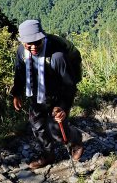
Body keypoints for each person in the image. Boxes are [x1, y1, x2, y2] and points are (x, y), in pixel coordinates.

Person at [11, 19, 84, 169]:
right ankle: (48, 154)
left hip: (57, 94)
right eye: (28, 44)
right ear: (22, 42)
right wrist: (16, 93)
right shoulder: (21, 52)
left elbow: (69, 86)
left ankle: (75, 141)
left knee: (56, 128)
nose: (33, 47)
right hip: (36, 94)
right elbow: (19, 73)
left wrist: (62, 107)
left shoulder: (57, 56)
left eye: (37, 42)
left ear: (43, 37)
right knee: (37, 126)